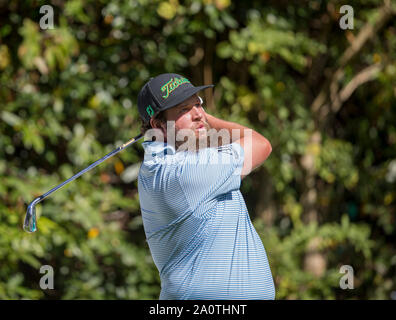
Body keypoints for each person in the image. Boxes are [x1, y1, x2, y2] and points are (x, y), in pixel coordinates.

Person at [136, 73, 275, 300]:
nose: (197, 114)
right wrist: (207, 120)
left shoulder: (158, 167)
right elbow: (261, 145)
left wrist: (195, 121)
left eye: (198, 104)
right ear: (158, 124)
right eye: (184, 109)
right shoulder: (185, 173)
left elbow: (197, 144)